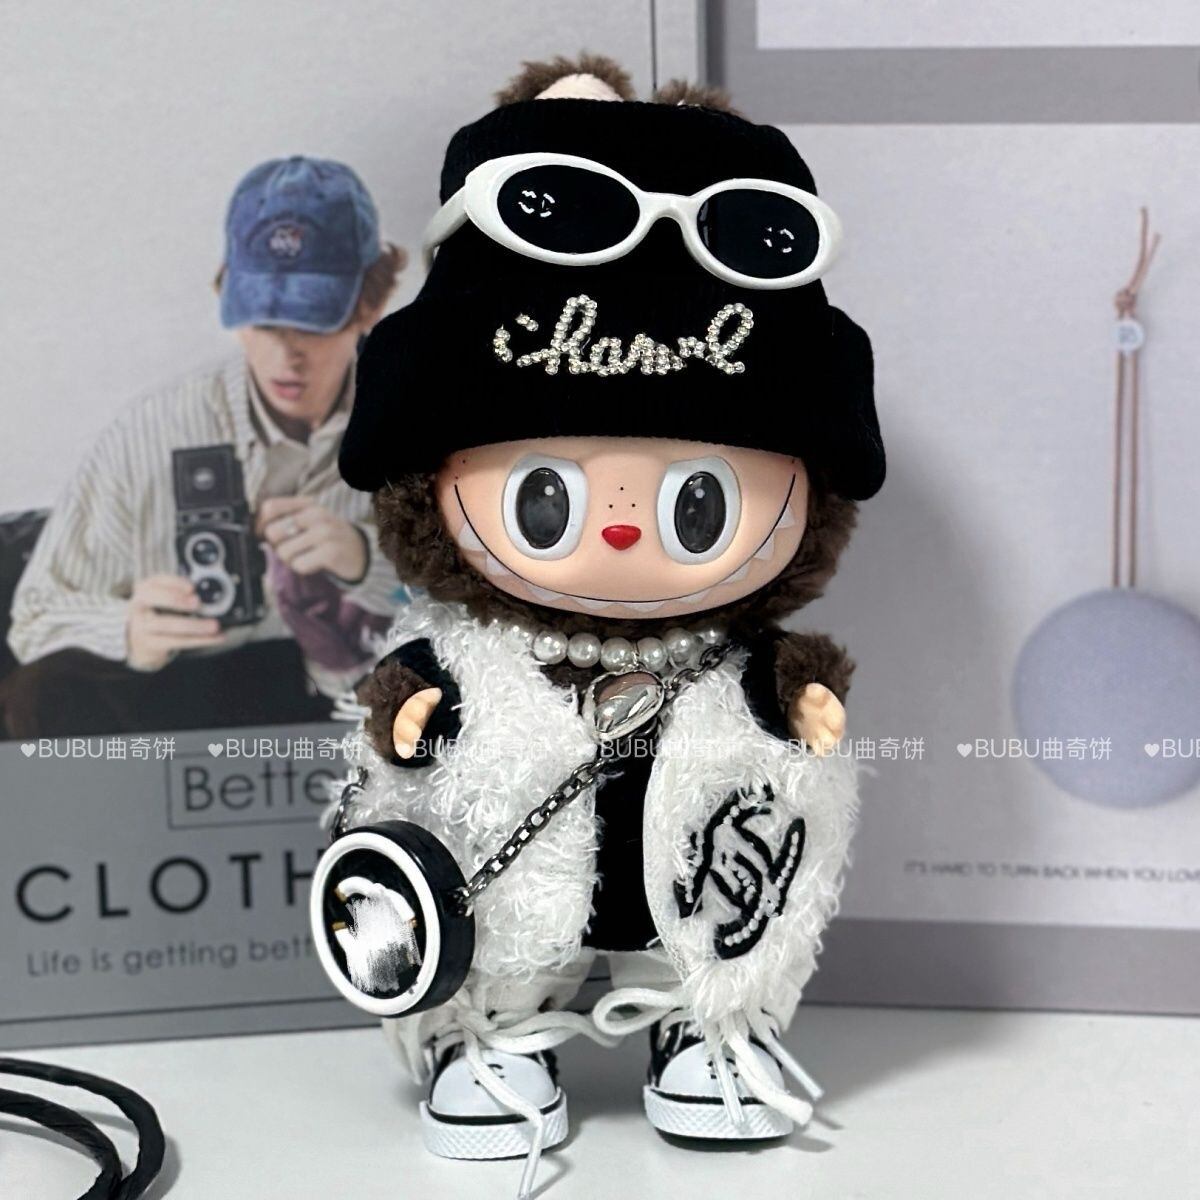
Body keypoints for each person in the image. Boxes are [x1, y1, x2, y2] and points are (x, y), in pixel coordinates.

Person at [314, 56, 885, 1200]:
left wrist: (803, 695)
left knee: (717, 906)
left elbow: (786, 699)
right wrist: (406, 713)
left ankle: (705, 1022)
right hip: (512, 881)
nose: (620, 532)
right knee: (496, 916)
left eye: (696, 502)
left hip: (691, 870)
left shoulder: (727, 655)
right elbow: (410, 708)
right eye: (546, 498)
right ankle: (494, 1031)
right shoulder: (479, 653)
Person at [2, 156, 404, 737]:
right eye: (262, 324)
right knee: (41, 695)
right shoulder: (151, 433)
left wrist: (364, 559)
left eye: (313, 324)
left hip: (358, 709)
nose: (286, 356)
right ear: (227, 299)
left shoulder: (408, 424)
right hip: (177, 706)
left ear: (370, 305)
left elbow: (474, 608)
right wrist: (125, 630)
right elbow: (35, 617)